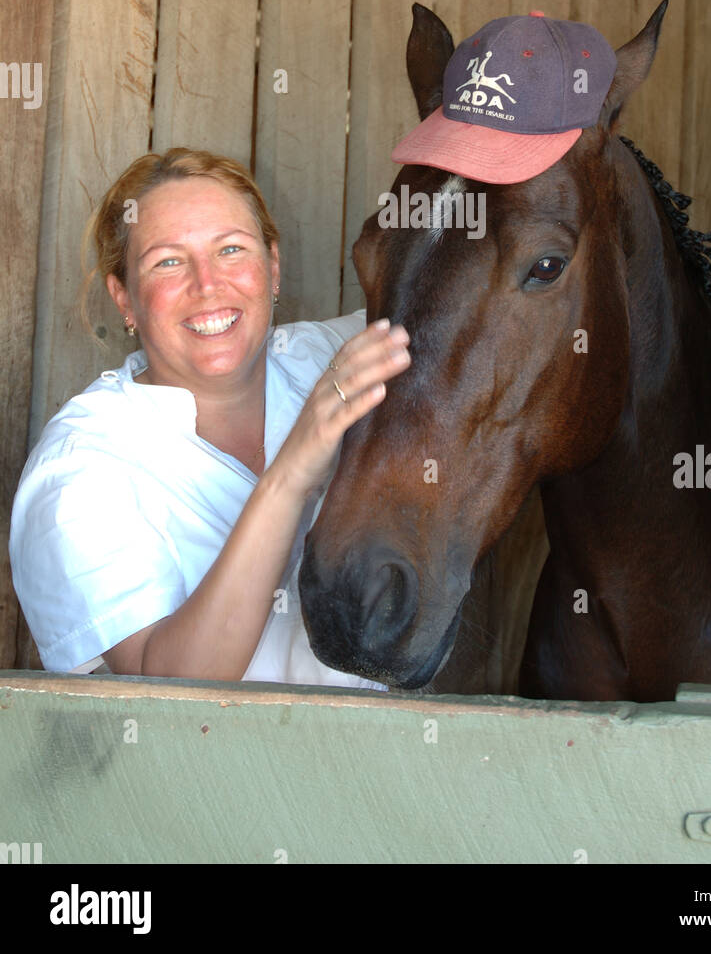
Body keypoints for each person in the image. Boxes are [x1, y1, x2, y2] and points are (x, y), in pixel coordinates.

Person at [9, 147, 411, 688]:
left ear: (272, 267)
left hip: (388, 759)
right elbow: (169, 691)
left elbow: (464, 312)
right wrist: (290, 476)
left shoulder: (322, 357)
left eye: (230, 249)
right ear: (124, 298)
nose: (207, 284)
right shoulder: (79, 470)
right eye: (168, 261)